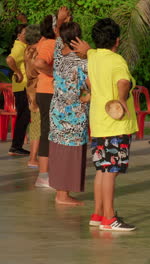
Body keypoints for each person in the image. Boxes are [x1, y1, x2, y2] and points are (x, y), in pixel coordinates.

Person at [72, 18, 138, 231]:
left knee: (102, 170)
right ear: (117, 41)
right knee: (110, 171)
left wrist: (88, 49)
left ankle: (98, 214)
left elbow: (90, 54)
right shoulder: (117, 60)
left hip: (99, 123)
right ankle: (110, 218)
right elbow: (124, 82)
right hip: (115, 125)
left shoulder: (93, 57)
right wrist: (120, 98)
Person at [48, 22, 89, 206]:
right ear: (77, 39)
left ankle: (61, 192)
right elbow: (92, 81)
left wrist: (59, 21)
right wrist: (89, 97)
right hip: (74, 115)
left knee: (59, 150)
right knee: (71, 152)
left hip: (57, 111)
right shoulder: (82, 60)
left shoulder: (58, 54)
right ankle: (63, 195)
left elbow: (57, 37)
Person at [33, 7, 70, 187]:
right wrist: (55, 74)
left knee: (50, 131)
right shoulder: (50, 43)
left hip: (46, 91)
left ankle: (47, 173)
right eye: (67, 18)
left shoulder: (48, 41)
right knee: (48, 132)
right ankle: (43, 176)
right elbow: (39, 63)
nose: (70, 19)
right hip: (48, 92)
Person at [6, 24, 30, 156]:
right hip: (22, 86)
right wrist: (18, 73)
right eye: (25, 32)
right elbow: (9, 60)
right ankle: (16, 146)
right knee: (23, 117)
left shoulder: (23, 46)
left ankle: (16, 146)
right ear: (19, 35)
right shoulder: (19, 47)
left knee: (24, 117)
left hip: (22, 87)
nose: (27, 34)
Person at [23, 24, 42, 168]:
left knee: (35, 123)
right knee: (38, 124)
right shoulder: (37, 51)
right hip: (38, 88)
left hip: (30, 88)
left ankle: (34, 156)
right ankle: (33, 157)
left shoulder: (27, 50)